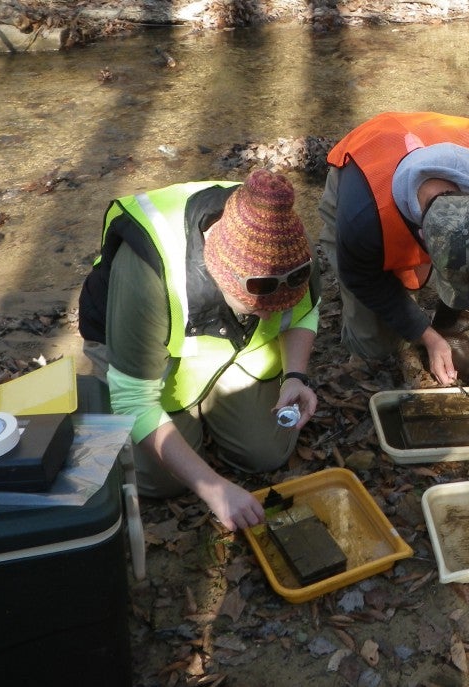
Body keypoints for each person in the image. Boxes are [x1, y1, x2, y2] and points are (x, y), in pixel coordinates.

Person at [78, 169, 320, 532]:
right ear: (219, 273)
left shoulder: (287, 246)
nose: (274, 315)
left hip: (227, 344)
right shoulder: (148, 274)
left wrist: (296, 376)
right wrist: (214, 489)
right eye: (259, 306)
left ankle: (207, 409)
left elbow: (304, 310)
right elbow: (134, 400)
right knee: (162, 483)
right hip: (137, 347)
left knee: (266, 452)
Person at [318, 111, 469, 385]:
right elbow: (360, 277)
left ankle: (452, 333)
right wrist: (425, 335)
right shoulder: (361, 217)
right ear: (419, 235)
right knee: (373, 346)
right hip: (364, 167)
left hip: (426, 141)